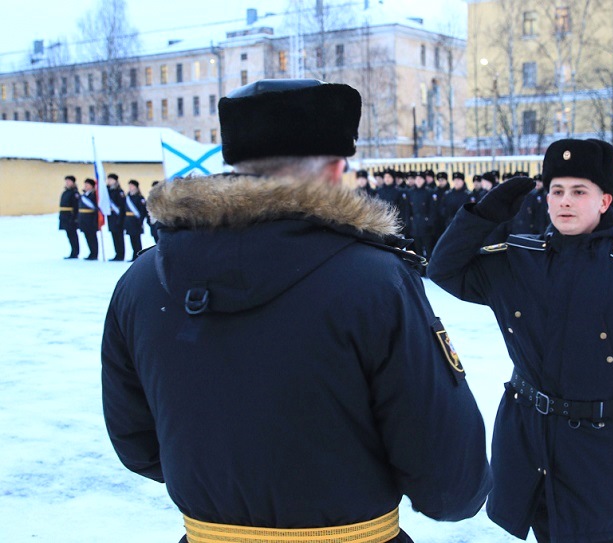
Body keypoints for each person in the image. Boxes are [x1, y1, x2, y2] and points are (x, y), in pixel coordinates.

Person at [101, 79, 491, 543]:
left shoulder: (142, 280)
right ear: (335, 169)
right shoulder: (375, 279)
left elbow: (138, 445)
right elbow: (451, 482)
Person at [429, 138, 613, 543]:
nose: (565, 201)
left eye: (579, 191)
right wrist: (482, 216)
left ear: (605, 201)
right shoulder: (518, 259)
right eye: (557, 191)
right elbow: (444, 269)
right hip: (528, 446)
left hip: (601, 455)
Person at [124, 180, 148, 261]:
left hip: (136, 222)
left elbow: (143, 211)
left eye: (132, 186)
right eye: (129, 186)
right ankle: (134, 255)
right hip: (129, 221)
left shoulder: (140, 198)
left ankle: (138, 255)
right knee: (132, 239)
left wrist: (140, 221)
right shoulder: (128, 197)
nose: (130, 188)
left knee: (137, 240)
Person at [59, 174, 80, 259]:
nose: (67, 183)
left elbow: (76, 207)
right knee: (69, 235)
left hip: (70, 217)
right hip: (65, 217)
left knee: (73, 235)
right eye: (66, 181)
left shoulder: (74, 193)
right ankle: (73, 251)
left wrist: (75, 218)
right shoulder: (66, 192)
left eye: (69, 181)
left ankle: (75, 252)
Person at [106, 173, 127, 261]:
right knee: (114, 236)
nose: (109, 181)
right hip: (111, 217)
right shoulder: (107, 191)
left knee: (119, 236)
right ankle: (117, 253)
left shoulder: (119, 192)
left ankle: (121, 254)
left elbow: (122, 206)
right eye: (108, 179)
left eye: (111, 180)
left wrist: (120, 218)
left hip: (118, 216)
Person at [77, 178, 100, 260]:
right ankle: (91, 252)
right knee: (87, 236)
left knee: (92, 237)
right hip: (83, 219)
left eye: (87, 185)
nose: (85, 186)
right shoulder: (83, 195)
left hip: (91, 219)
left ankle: (94, 253)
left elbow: (96, 209)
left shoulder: (94, 196)